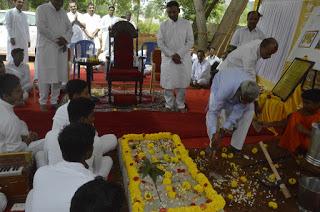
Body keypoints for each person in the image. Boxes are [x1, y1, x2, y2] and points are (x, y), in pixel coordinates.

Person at [25, 123, 96, 212]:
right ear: (89, 152)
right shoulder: (92, 182)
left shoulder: (41, 172)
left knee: (32, 193)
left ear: (62, 151)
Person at [45, 97, 116, 177]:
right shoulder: (93, 140)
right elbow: (96, 169)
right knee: (108, 160)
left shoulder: (50, 135)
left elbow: (46, 161)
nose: (94, 119)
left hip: (56, 175)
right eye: (92, 116)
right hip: (86, 181)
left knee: (40, 154)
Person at [206, 68, 260, 151]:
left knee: (248, 111)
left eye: (247, 102)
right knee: (214, 110)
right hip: (220, 82)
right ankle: (212, 143)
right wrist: (214, 133)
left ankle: (235, 146)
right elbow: (213, 112)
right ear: (239, 90)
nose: (244, 104)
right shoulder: (223, 91)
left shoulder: (250, 90)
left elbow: (238, 111)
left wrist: (224, 129)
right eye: (243, 100)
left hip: (236, 83)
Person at [0, 74, 45, 167]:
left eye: (21, 89)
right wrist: (27, 141)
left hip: (8, 146)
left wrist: (23, 137)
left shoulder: (5, 110)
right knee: (48, 141)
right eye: (18, 91)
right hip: (7, 160)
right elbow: (14, 153)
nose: (22, 93)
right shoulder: (10, 119)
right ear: (5, 96)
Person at [35, 0, 72, 111]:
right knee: (45, 75)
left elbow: (69, 28)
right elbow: (42, 28)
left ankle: (54, 101)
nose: (60, 2)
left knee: (59, 75)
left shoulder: (63, 12)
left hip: (61, 48)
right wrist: (58, 40)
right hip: (47, 48)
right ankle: (43, 101)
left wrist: (65, 39)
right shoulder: (41, 9)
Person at [157, 1, 194, 112]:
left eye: (174, 11)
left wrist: (179, 54)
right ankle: (169, 105)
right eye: (169, 12)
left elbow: (190, 41)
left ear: (178, 10)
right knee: (168, 84)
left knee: (181, 83)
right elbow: (160, 42)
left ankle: (180, 104)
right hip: (168, 58)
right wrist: (172, 54)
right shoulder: (163, 25)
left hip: (182, 58)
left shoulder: (186, 24)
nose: (172, 14)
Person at [257, 89, 320, 153]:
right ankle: (289, 147)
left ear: (317, 104)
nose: (304, 105)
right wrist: (269, 124)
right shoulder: (302, 112)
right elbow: (288, 122)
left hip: (313, 151)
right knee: (293, 116)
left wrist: (305, 131)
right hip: (296, 147)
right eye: (303, 102)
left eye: (307, 103)